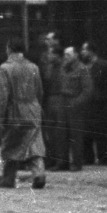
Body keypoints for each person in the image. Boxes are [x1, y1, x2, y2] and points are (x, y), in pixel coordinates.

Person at [0, 36, 47, 189]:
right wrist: (37, 107)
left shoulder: (5, 68)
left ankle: (8, 178)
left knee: (11, 144)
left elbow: (1, 96)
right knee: (34, 143)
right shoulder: (33, 67)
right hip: (33, 109)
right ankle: (39, 174)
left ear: (9, 48)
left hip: (14, 111)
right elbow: (40, 91)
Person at [58, 44, 92, 172]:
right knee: (61, 133)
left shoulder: (82, 69)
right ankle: (63, 162)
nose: (65, 57)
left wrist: (77, 102)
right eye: (65, 54)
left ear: (76, 55)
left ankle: (77, 163)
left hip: (74, 102)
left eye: (68, 54)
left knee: (75, 135)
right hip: (63, 101)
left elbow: (88, 90)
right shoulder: (63, 68)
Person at [38, 31, 66, 169]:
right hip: (48, 98)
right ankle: (51, 158)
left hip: (56, 98)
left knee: (56, 131)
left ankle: (58, 159)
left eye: (49, 39)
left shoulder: (61, 64)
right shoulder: (45, 58)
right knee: (49, 131)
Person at [83, 42, 107, 167]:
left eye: (85, 49)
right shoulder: (84, 66)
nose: (82, 52)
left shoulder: (103, 65)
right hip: (87, 102)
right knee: (86, 130)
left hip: (99, 102)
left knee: (100, 131)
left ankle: (103, 157)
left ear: (92, 51)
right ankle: (88, 157)